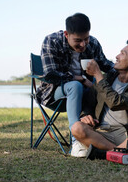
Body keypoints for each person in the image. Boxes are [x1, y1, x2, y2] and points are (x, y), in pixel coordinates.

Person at [36, 13, 115, 157]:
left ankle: (102, 134)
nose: (83, 44)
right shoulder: (52, 41)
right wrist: (80, 79)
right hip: (54, 93)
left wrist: (124, 70)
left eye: (86, 39)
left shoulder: (93, 43)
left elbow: (105, 64)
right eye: (78, 40)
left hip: (86, 94)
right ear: (66, 34)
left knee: (102, 88)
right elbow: (51, 75)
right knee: (76, 86)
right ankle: (76, 142)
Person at [71, 40, 128, 159]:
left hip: (127, 134)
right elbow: (89, 101)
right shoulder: (108, 78)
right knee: (77, 127)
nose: (117, 56)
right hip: (101, 133)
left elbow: (116, 103)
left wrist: (98, 74)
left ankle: (106, 153)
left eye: (123, 53)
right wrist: (86, 115)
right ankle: (119, 152)